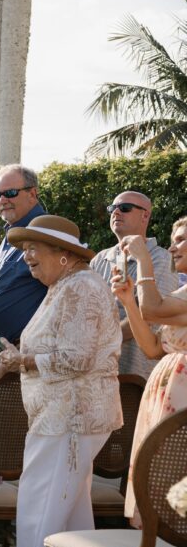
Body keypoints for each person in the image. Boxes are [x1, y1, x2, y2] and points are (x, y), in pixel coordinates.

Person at [0, 215, 121, 547]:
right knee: (70, 510)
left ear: (65, 254)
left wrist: (22, 359)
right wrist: (11, 361)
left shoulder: (80, 289)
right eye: (23, 250)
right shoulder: (66, 286)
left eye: (35, 249)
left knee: (40, 508)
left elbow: (77, 357)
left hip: (69, 419)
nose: (27, 258)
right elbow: (55, 346)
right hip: (64, 417)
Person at [110, 217, 187, 523]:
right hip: (165, 394)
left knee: (176, 472)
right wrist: (129, 301)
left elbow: (153, 309)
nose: (172, 247)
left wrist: (143, 260)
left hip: (182, 399)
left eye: (181, 239)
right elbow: (154, 348)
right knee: (161, 474)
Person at [91, 191, 178, 381]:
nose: (116, 213)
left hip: (135, 376)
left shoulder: (162, 258)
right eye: (112, 208)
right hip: (97, 373)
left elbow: (150, 317)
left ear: (145, 215)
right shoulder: (99, 259)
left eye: (124, 208)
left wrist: (98, 343)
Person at [0, 164, 48, 352]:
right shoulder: (12, 233)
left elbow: (63, 297)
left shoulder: (44, 234)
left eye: (10, 193)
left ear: (32, 194)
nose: (2, 200)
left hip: (27, 357)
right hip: (0, 355)